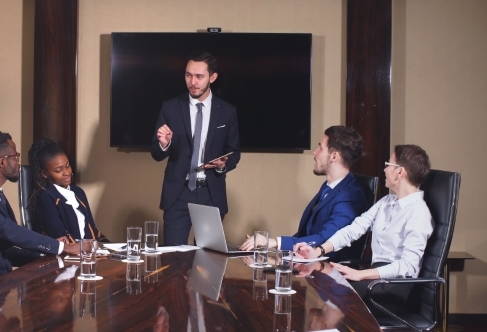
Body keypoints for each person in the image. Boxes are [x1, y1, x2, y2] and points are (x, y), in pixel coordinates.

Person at [295, 144, 433, 314]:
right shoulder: (386, 202)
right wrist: (319, 250)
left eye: (388, 164)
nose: (384, 169)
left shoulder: (419, 213)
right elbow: (354, 230)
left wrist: (362, 275)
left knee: (336, 293)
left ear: (400, 172)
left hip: (395, 286)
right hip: (375, 279)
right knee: (323, 282)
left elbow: (408, 266)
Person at [0, 131, 81, 299]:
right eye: (15, 156)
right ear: (2, 162)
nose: (19, 162)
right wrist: (62, 247)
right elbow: (9, 231)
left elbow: (6, 247)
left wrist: (47, 253)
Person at [151, 50, 240, 245]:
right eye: (188, 75)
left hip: (211, 193)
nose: (193, 82)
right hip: (178, 194)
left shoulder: (226, 111)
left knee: (207, 263)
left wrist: (222, 164)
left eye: (199, 76)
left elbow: (234, 151)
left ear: (213, 77)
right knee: (173, 263)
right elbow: (156, 153)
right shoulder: (170, 107)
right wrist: (163, 144)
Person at [240, 126, 369, 261]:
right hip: (305, 262)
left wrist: (273, 242)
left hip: (327, 270)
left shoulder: (350, 197)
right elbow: (305, 234)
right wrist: (274, 250)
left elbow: (325, 239)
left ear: (334, 156)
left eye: (320, 147)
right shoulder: (328, 187)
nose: (315, 152)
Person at [28, 138, 109, 243]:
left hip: (89, 253)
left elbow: (92, 229)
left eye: (68, 166)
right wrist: (87, 251)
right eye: (58, 170)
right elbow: (60, 237)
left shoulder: (78, 192)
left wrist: (112, 248)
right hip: (67, 255)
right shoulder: (46, 197)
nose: (66, 172)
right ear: (44, 174)